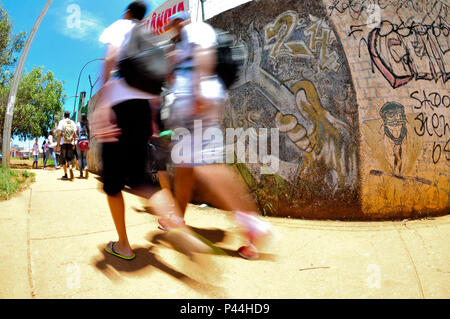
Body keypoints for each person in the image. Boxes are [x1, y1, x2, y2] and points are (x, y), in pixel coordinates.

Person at [155, 12, 272, 260]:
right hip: (189, 104)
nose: (171, 27)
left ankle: (253, 225)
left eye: (174, 22)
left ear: (180, 21)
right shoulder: (180, 44)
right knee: (185, 165)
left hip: (196, 102)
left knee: (209, 166)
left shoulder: (196, 30)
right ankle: (178, 218)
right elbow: (171, 76)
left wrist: (197, 95)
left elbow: (204, 57)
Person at [92, 0, 156, 260]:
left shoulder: (120, 27)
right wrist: (151, 117)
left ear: (127, 12)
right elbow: (153, 79)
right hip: (142, 109)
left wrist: (102, 102)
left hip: (119, 107)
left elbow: (109, 59)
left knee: (113, 184)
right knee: (140, 181)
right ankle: (174, 219)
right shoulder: (148, 36)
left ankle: (124, 245)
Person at [56, 110, 77, 180]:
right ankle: (70, 167)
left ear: (64, 116)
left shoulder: (61, 122)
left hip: (63, 143)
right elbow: (75, 134)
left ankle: (65, 174)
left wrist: (58, 145)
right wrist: (74, 143)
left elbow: (59, 133)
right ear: (69, 116)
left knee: (63, 159)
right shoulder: (73, 122)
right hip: (70, 143)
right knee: (69, 158)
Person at [76, 113, 90, 178]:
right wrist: (89, 142)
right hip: (86, 142)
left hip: (80, 142)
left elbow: (76, 133)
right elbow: (89, 133)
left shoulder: (78, 124)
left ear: (81, 118)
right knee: (84, 157)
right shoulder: (87, 124)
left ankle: (81, 174)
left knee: (79, 158)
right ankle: (86, 167)